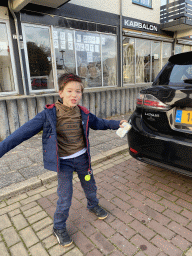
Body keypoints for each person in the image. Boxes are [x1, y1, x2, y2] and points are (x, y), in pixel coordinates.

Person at [0, 73, 127, 247]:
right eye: (69, 91)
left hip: (83, 159)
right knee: (65, 197)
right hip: (64, 163)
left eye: (78, 91)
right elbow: (20, 134)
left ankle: (93, 205)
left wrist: (116, 124)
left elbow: (99, 123)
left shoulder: (84, 113)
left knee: (90, 185)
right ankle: (58, 227)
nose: (74, 95)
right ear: (60, 93)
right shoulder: (48, 115)